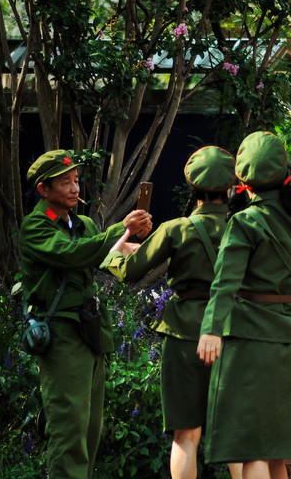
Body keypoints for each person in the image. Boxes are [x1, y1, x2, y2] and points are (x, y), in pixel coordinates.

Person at [197, 79, 291, 479]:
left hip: (250, 343)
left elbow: (225, 282)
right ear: (286, 173)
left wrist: (211, 329)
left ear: (243, 182)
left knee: (254, 450)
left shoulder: (244, 222)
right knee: (279, 450)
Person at [104, 146, 243, 479]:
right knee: (235, 437)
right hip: (232, 330)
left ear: (192, 186)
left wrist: (115, 253)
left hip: (183, 334)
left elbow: (129, 271)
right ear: (230, 187)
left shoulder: (176, 228)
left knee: (186, 435)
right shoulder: (243, 227)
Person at [19, 149, 152, 478]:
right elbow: (72, 254)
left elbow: (111, 254)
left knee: (91, 427)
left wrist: (150, 242)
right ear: (43, 189)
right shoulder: (36, 226)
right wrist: (121, 229)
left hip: (90, 332)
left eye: (76, 180)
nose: (75, 188)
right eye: (65, 182)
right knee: (69, 427)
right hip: (61, 335)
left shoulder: (84, 224)